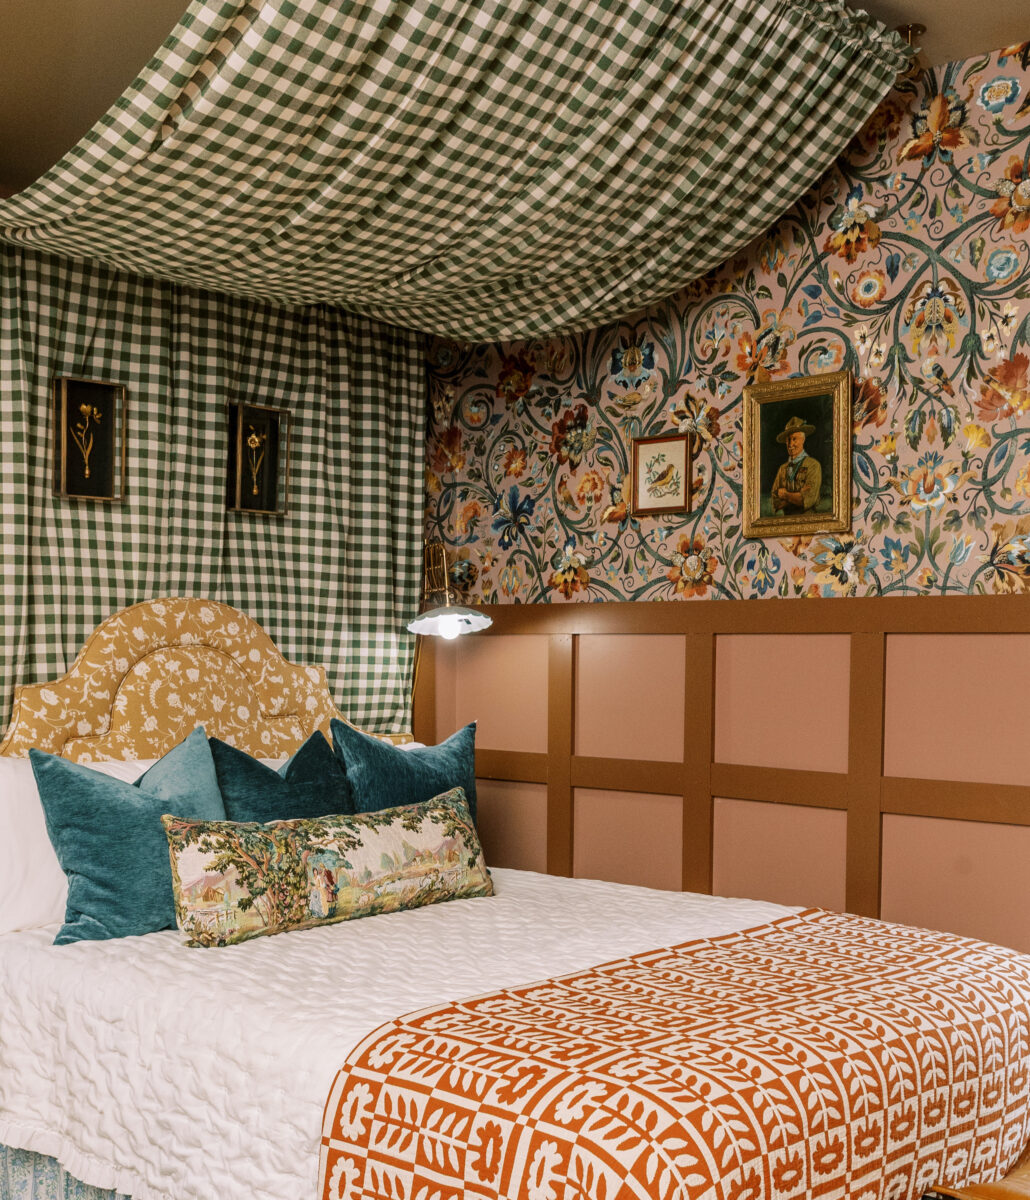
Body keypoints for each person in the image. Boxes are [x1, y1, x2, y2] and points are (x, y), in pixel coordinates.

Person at [770, 415, 822, 515]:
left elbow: (807, 500)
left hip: (809, 522)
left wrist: (784, 494)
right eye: (788, 440)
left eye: (794, 439)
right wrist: (796, 496)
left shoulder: (813, 465)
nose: (790, 444)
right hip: (786, 523)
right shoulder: (782, 468)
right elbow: (775, 502)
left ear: (803, 440)